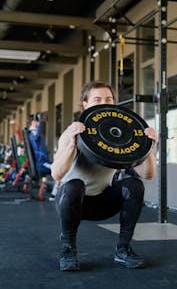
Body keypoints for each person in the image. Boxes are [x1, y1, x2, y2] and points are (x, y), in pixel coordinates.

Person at [51, 80, 158, 271]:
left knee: (134, 184)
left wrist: (149, 147)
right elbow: (56, 174)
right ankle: (68, 250)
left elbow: (147, 174)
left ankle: (123, 249)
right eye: (97, 99)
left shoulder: (121, 133)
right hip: (71, 201)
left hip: (102, 203)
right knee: (75, 184)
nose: (103, 102)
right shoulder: (71, 132)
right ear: (85, 104)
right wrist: (71, 145)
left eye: (108, 99)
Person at [28, 113, 59, 200]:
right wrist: (41, 121)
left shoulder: (31, 134)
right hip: (41, 164)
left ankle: (48, 189)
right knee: (61, 172)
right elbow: (37, 136)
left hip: (42, 163)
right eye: (37, 121)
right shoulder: (32, 134)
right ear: (34, 122)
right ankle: (53, 195)